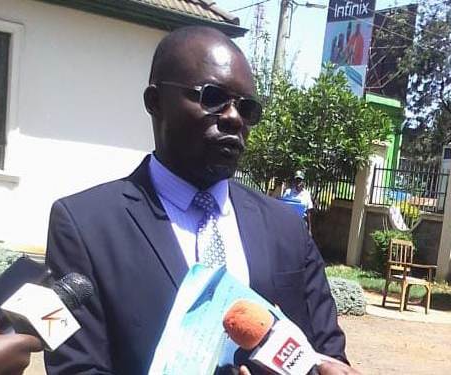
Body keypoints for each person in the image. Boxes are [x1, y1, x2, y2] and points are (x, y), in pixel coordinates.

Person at [44, 26, 358, 374]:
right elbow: (75, 368)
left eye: (247, 108)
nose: (233, 118)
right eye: (212, 97)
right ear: (155, 101)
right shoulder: (85, 225)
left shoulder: (285, 227)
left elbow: (328, 354)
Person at [282, 170, 314, 235]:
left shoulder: (306, 194)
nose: (298, 182)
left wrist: (309, 229)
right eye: (297, 180)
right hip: (289, 223)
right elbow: (282, 207)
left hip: (302, 224)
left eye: (300, 180)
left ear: (303, 181)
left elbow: (308, 212)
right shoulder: (288, 192)